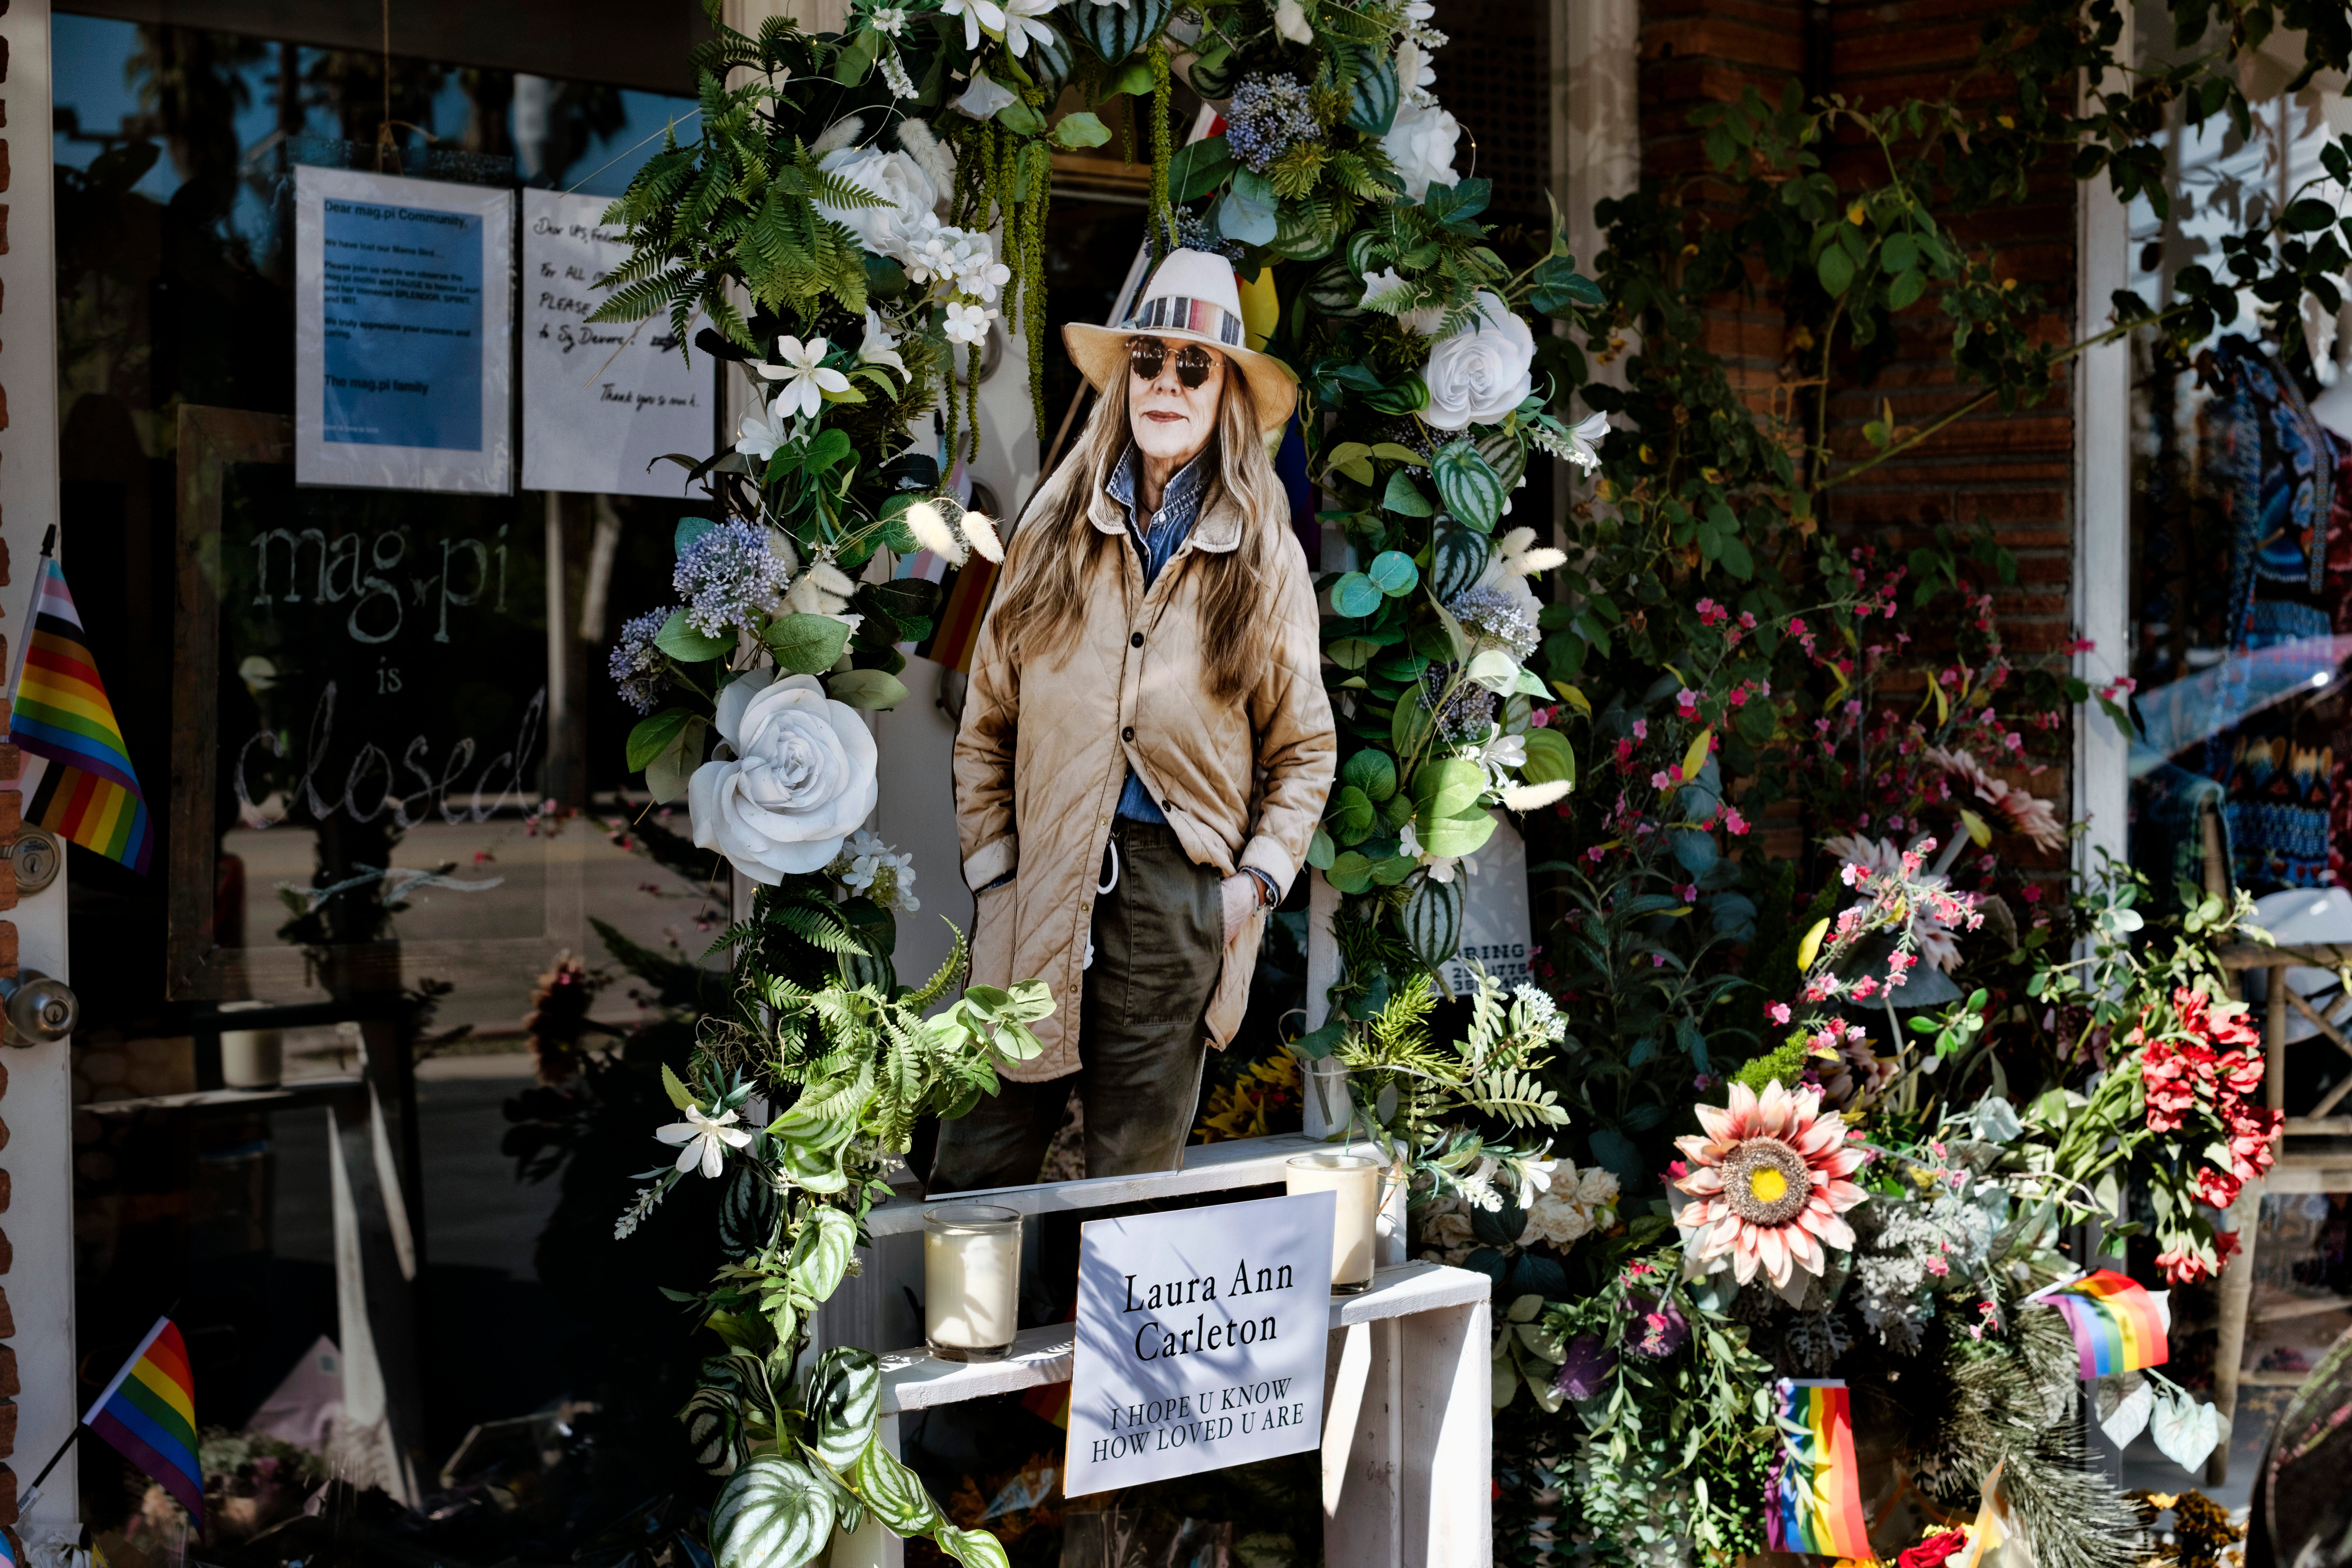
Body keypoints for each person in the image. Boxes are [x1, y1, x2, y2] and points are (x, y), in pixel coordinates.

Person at [937, 248, 1336, 1191]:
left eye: (1192, 366)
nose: (1166, 382)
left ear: (1225, 392)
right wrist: (996, 876)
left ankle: (1110, 1346)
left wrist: (1248, 892)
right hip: (1043, 882)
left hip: (1177, 902)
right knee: (975, 1176)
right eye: (1148, 361)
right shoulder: (1049, 527)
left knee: (1133, 1192)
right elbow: (987, 714)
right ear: (1125, 382)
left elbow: (1305, 750)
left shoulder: (1263, 552)